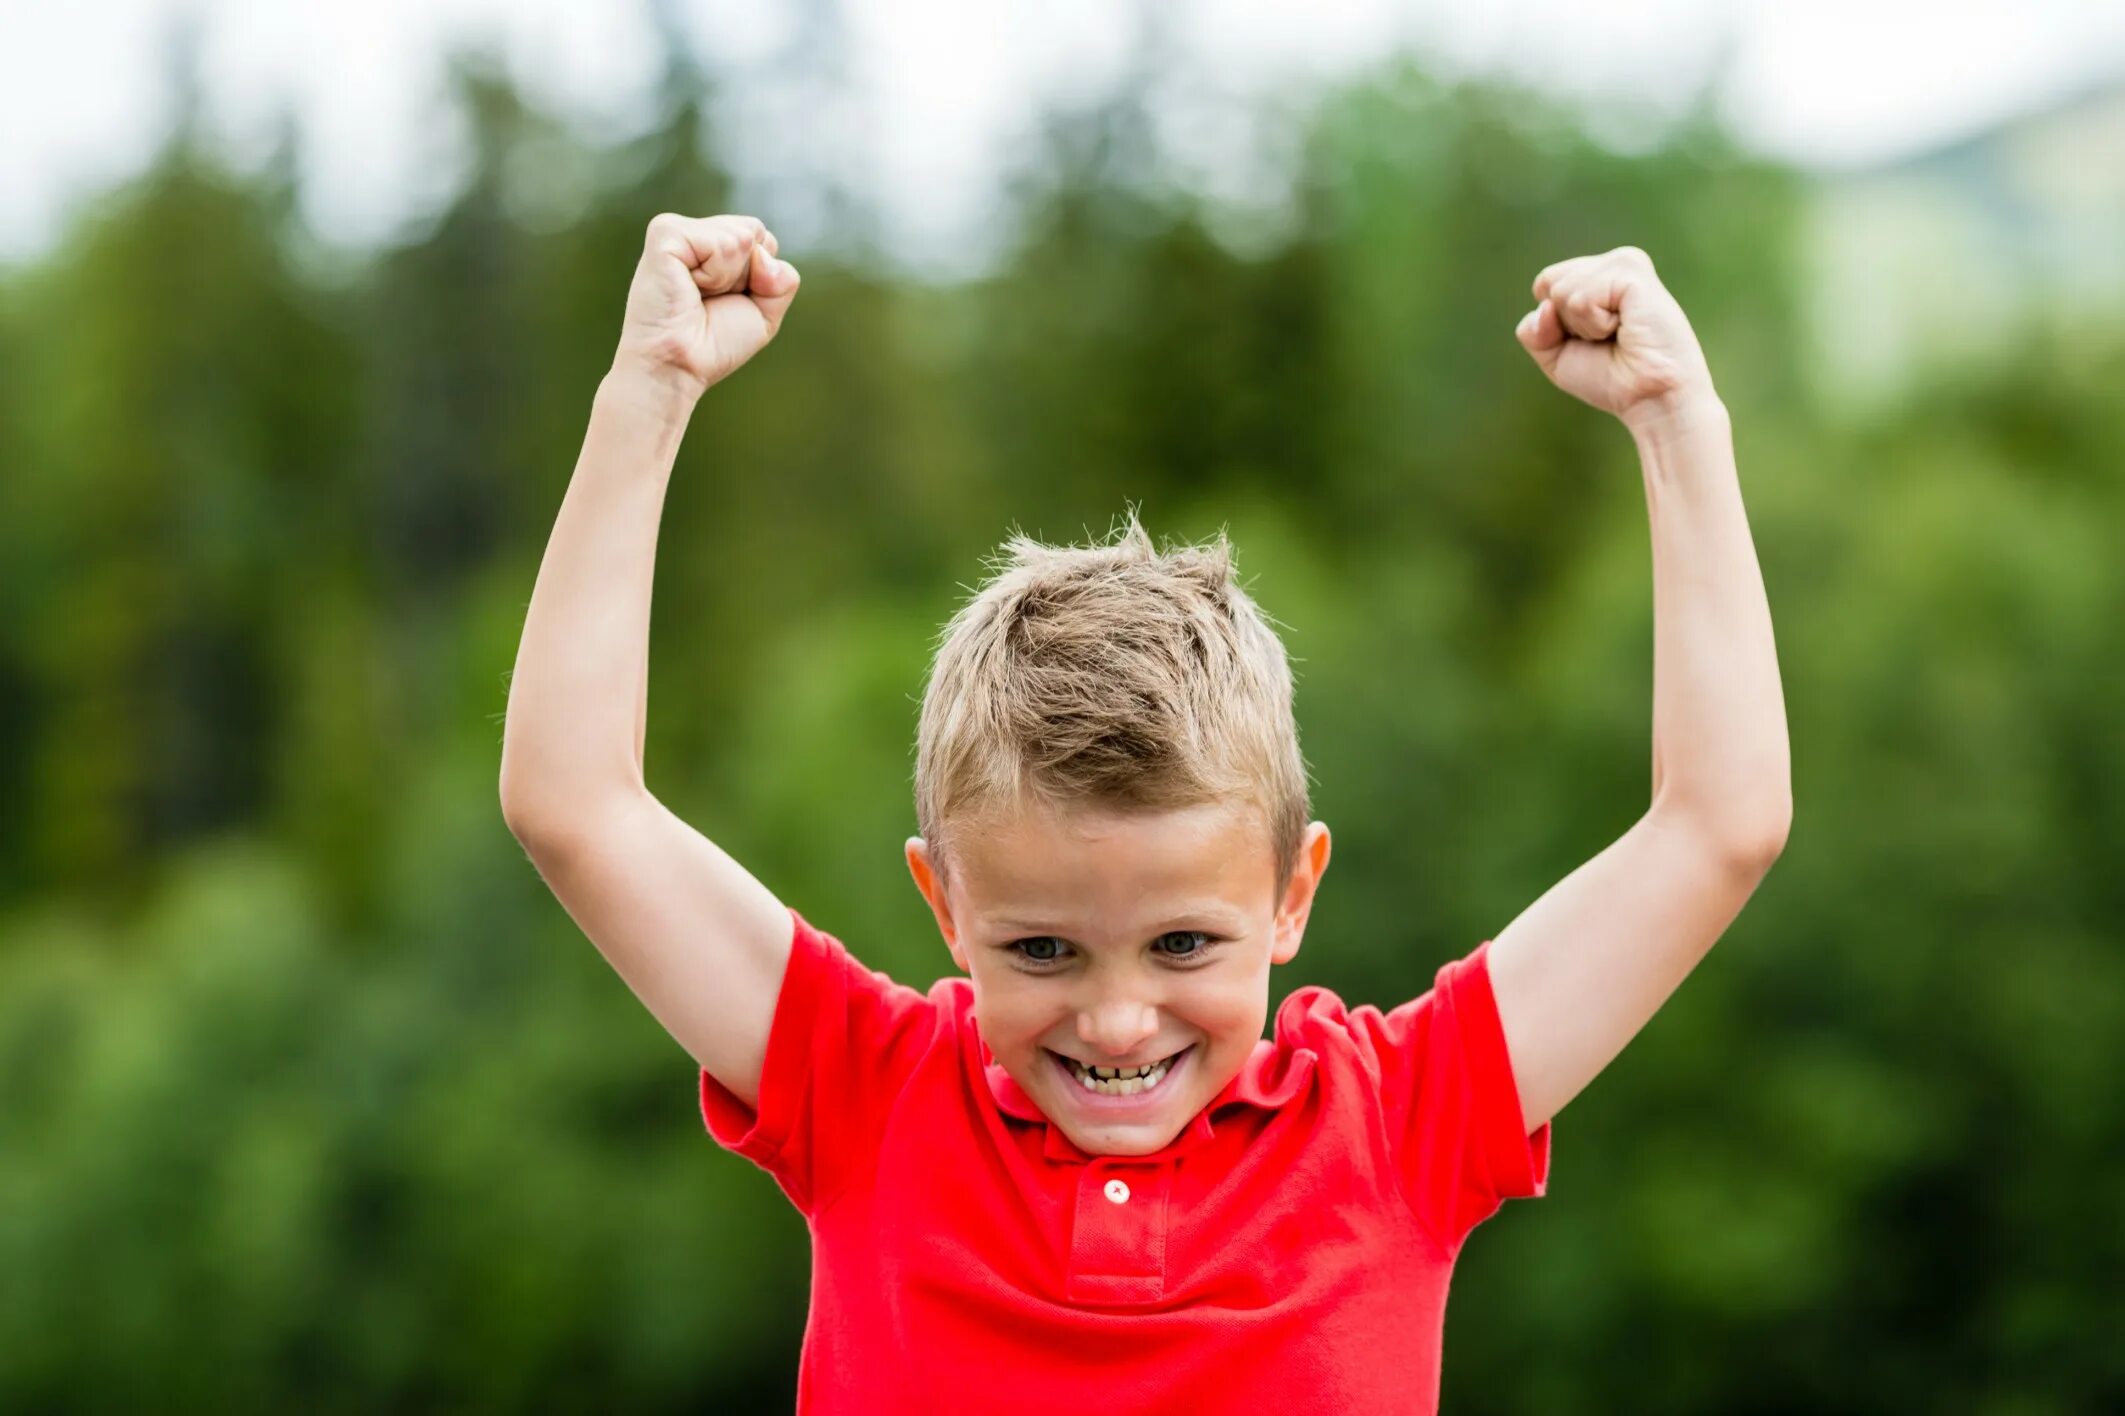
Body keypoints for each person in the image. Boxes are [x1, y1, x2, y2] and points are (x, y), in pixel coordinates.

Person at [498, 214, 1791, 1413]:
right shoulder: (867, 1096)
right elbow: (574, 805)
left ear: (1293, 892)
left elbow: (1715, 828)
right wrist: (648, 392)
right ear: (944, 903)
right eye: (1042, 948)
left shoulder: (1399, 1122)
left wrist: (1681, 425)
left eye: (1183, 944)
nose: (1117, 1022)